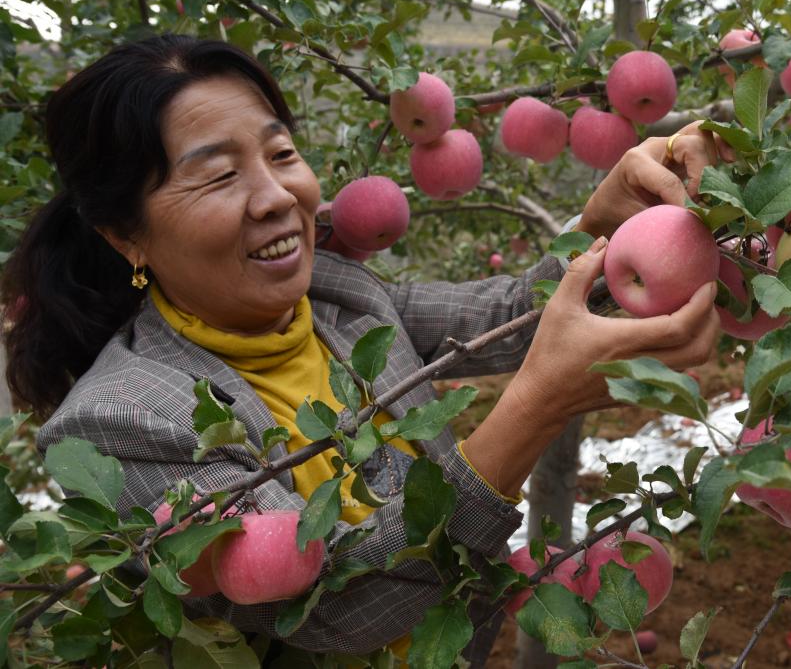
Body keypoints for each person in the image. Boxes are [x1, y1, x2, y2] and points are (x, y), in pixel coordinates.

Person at [1, 35, 722, 661]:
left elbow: (509, 313)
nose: (278, 195)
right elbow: (345, 608)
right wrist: (534, 408)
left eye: (280, 151)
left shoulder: (340, 298)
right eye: (220, 174)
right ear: (125, 235)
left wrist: (604, 227)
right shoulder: (118, 425)